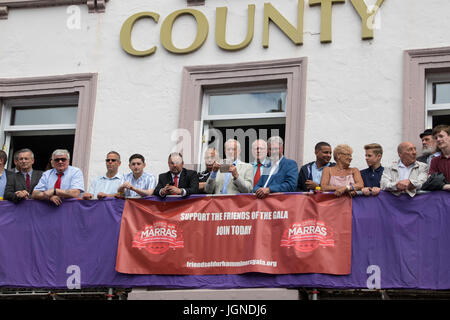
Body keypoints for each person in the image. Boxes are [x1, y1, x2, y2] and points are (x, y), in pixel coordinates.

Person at [429, 125, 450, 191]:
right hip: (442, 199)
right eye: (436, 138)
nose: (438, 139)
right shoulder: (434, 160)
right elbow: (432, 182)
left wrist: (440, 185)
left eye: (441, 136)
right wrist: (446, 186)